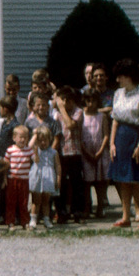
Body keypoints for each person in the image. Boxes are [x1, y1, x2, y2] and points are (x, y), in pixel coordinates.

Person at [108, 58, 139, 230]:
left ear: (129, 76)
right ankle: (125, 216)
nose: (118, 80)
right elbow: (115, 120)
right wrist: (112, 143)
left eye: (120, 76)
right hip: (120, 139)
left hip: (136, 137)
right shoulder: (118, 94)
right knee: (123, 180)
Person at [52, 86, 85, 223]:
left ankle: (77, 211)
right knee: (62, 184)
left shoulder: (78, 112)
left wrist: (62, 109)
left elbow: (71, 125)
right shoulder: (56, 113)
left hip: (75, 152)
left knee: (76, 183)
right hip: (61, 152)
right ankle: (62, 212)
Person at [80, 88, 110, 217]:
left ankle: (100, 207)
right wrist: (86, 152)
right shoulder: (82, 115)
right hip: (86, 152)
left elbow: (106, 135)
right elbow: (79, 136)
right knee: (87, 183)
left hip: (100, 152)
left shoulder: (102, 116)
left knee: (100, 182)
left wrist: (100, 151)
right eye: (88, 101)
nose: (90, 104)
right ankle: (87, 207)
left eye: (93, 101)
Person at [28, 126, 60, 230]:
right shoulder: (35, 150)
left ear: (49, 139)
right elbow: (35, 158)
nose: (43, 143)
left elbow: (58, 166)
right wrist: (35, 135)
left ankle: (46, 219)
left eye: (45, 140)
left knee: (46, 201)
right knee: (36, 201)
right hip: (37, 176)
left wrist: (58, 179)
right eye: (40, 140)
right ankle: (33, 219)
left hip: (48, 177)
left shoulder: (53, 152)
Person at [4, 125, 32, 230]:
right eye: (21, 137)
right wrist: (4, 178)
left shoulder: (29, 150)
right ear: (14, 138)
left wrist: (35, 146)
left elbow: (36, 159)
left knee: (24, 202)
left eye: (25, 137)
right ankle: (10, 222)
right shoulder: (10, 150)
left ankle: (25, 222)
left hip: (24, 179)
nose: (23, 139)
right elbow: (6, 165)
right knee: (11, 201)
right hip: (12, 178)